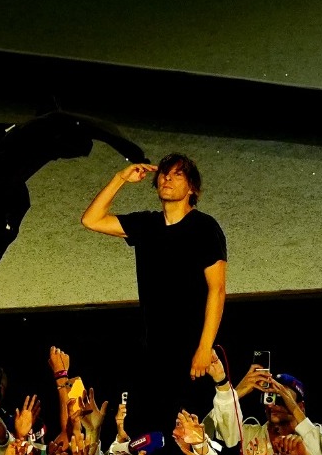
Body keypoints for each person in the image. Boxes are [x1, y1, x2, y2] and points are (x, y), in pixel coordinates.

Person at [81, 154, 227, 427]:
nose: (167, 178)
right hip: (153, 350)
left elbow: (217, 289)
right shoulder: (147, 224)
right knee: (145, 430)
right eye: (164, 173)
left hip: (191, 349)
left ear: (192, 188)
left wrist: (205, 347)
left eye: (177, 174)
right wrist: (120, 178)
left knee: (189, 430)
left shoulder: (204, 227)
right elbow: (91, 220)